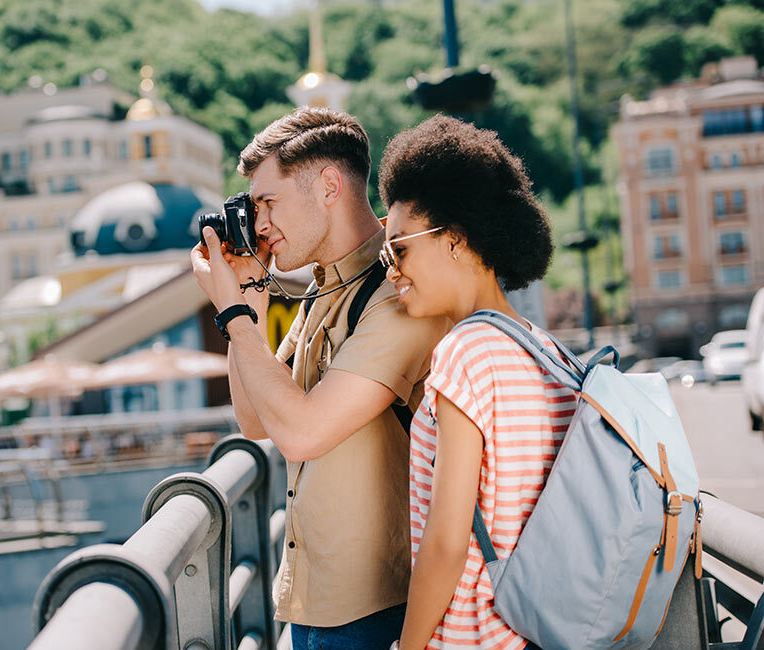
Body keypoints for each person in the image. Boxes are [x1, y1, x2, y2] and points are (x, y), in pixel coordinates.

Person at [191, 107, 448, 649]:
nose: (258, 224)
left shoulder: (399, 293)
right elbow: (257, 419)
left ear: (329, 185)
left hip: (380, 612)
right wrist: (250, 300)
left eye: (269, 202)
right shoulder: (321, 290)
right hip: (313, 605)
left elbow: (304, 432)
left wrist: (230, 316)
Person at [377, 115, 577, 650]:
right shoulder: (547, 351)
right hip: (538, 630)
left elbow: (446, 541)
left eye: (400, 249)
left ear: (455, 240)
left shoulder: (465, 353)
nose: (392, 270)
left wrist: (409, 646)